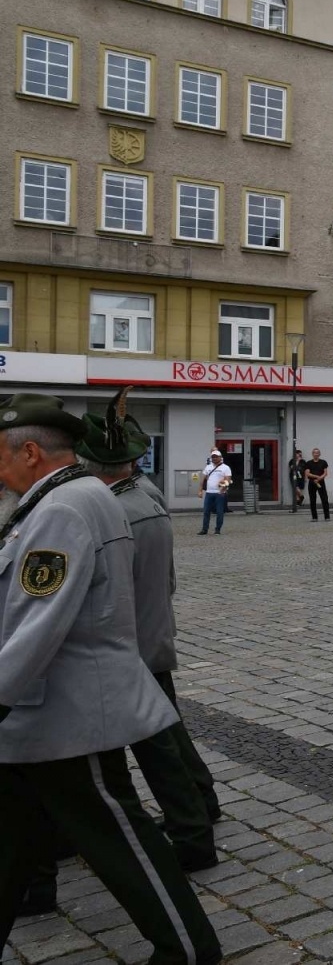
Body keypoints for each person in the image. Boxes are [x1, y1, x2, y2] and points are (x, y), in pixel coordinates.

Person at [0, 394, 221, 964]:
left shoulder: (62, 509)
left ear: (30, 452)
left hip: (66, 709)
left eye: (0, 455)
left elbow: (36, 622)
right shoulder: (78, 495)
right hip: (43, 712)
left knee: (120, 835)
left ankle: (188, 948)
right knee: (12, 841)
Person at [76, 400, 220, 870]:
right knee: (168, 731)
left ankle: (190, 830)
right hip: (149, 631)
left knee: (157, 744)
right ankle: (202, 802)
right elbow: (170, 578)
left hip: (127, 643)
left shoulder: (115, 510)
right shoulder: (147, 496)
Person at [197, 448, 230, 535]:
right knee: (206, 511)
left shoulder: (225, 468)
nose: (214, 458)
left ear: (220, 457)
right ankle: (204, 529)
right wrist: (200, 490)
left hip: (219, 494)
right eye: (213, 457)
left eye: (216, 457)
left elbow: (228, 480)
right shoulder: (208, 467)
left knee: (219, 512)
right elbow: (202, 479)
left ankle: (217, 529)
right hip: (209, 493)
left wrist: (222, 490)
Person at [305, 447, 331, 521]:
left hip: (321, 482)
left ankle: (327, 516)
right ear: (312, 454)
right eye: (314, 453)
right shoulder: (309, 463)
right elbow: (307, 473)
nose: (316, 454)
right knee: (312, 500)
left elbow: (325, 473)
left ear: (319, 454)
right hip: (312, 483)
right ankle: (314, 517)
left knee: (324, 499)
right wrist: (316, 476)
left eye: (317, 453)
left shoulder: (323, 462)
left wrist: (319, 478)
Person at [288, 449, 306, 513]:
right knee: (296, 487)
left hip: (301, 477)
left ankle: (298, 502)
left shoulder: (303, 461)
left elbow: (305, 469)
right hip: (293, 476)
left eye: (301, 454)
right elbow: (292, 467)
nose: (300, 455)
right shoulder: (292, 461)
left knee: (297, 489)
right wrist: (297, 461)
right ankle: (302, 497)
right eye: (299, 454)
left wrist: (306, 477)